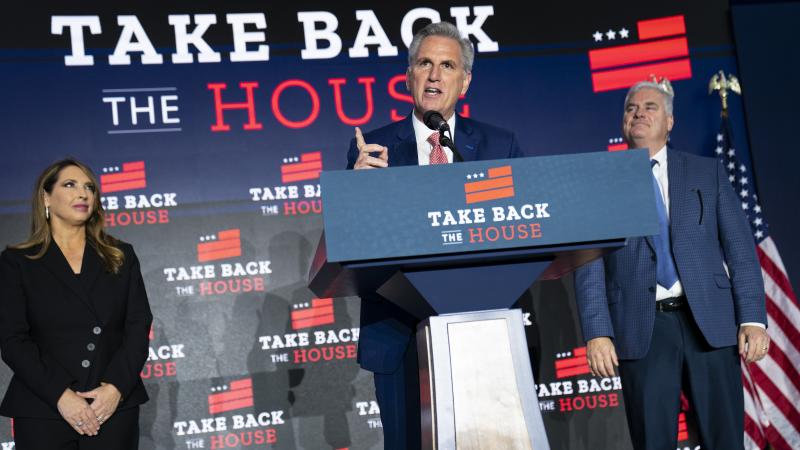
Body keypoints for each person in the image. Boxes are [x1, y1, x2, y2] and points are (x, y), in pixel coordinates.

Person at [346, 21, 523, 450]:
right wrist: (356, 193)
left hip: (480, 329)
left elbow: (524, 230)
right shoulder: (372, 149)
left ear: (465, 81)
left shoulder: (499, 147)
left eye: (448, 66)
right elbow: (352, 242)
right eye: (425, 63)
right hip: (398, 329)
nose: (435, 75)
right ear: (409, 75)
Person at [574, 80, 769, 450]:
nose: (638, 114)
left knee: (725, 440)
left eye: (650, 107)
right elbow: (588, 266)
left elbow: (741, 251)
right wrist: (597, 332)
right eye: (631, 108)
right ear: (622, 122)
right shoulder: (599, 183)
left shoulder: (706, 172)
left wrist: (753, 319)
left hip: (710, 324)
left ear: (669, 121)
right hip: (641, 327)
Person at [0, 158, 152, 449]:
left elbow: (138, 327)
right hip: (44, 410)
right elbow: (13, 340)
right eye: (70, 185)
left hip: (111, 410)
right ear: (46, 197)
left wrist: (115, 389)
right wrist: (61, 396)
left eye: (89, 188)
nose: (83, 193)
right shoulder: (17, 262)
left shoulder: (121, 255)